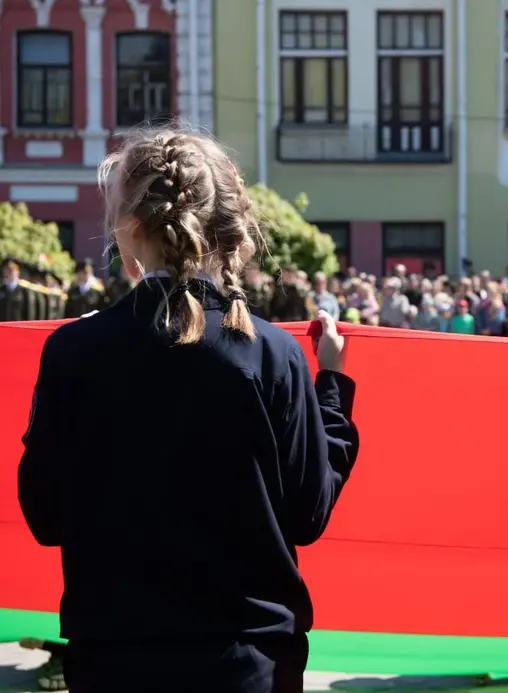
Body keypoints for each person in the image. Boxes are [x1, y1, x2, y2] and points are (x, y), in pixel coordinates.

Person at [17, 128, 360, 693]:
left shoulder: (74, 353)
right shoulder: (274, 353)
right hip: (248, 662)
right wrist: (333, 388)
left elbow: (44, 517)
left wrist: (64, 376)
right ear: (234, 232)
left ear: (127, 231)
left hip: (114, 663)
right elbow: (309, 513)